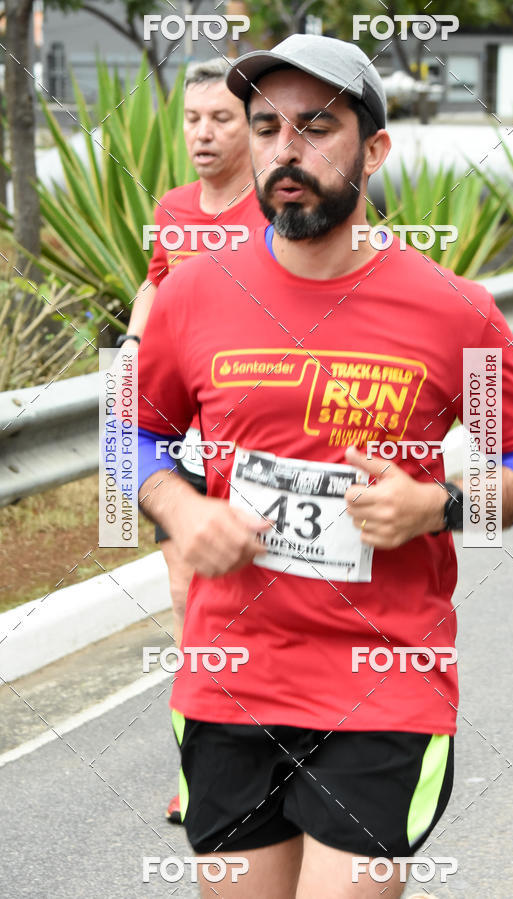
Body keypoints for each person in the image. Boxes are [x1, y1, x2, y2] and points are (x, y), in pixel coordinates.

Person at [135, 35, 513, 898]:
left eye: (316, 126)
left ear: (374, 149)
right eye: (267, 127)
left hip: (385, 691)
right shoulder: (194, 294)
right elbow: (134, 434)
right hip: (230, 684)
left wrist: (440, 505)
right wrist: (180, 509)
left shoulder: (453, 313)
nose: (285, 150)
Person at [118, 56, 267, 823]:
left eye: (222, 120)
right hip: (182, 432)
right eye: (192, 119)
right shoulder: (174, 206)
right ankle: (198, 770)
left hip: (256, 433)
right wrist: (134, 343)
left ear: (252, 127)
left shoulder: (276, 207)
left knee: (263, 601)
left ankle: (285, 745)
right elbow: (157, 279)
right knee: (188, 597)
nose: (203, 134)